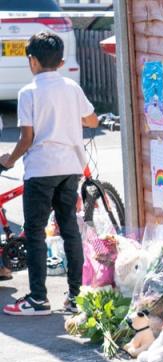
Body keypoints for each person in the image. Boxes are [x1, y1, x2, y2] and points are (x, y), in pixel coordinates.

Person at [0, 32, 98, 316]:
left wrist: (9, 160)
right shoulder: (71, 87)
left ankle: (38, 299)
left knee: (34, 233)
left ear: (32, 61)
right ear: (61, 61)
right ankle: (76, 297)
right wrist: (68, 115)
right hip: (70, 168)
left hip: (41, 170)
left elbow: (27, 138)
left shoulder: (28, 93)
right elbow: (91, 119)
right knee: (69, 230)